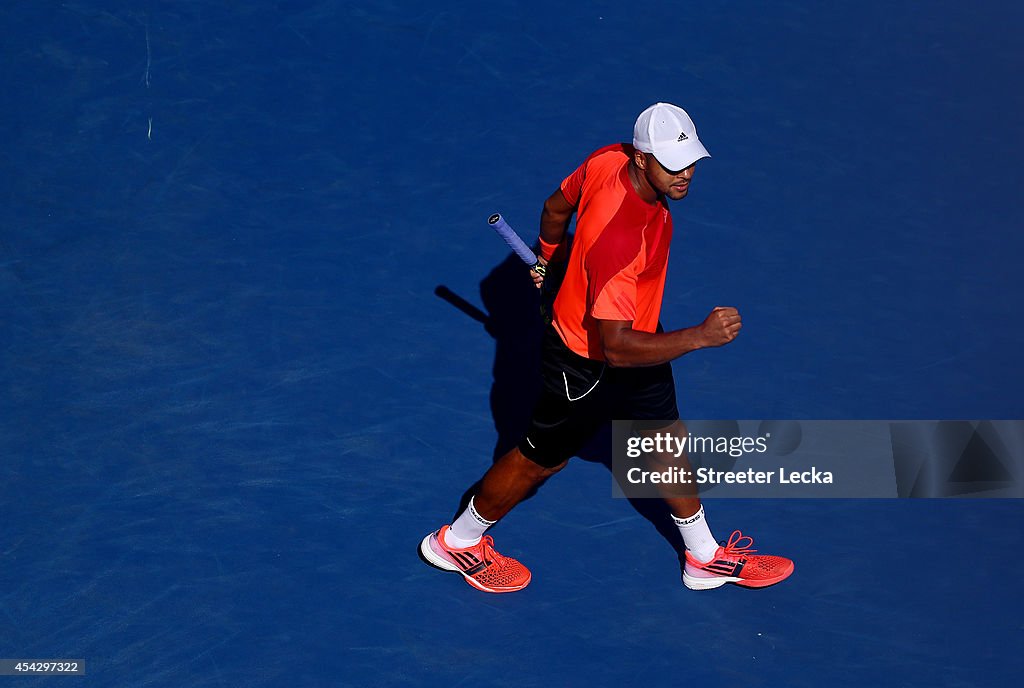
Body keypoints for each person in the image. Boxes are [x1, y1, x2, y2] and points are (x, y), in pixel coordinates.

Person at [420, 103, 794, 593]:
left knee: (665, 440)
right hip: (586, 362)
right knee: (540, 461)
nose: (685, 175)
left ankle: (704, 556)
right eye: (672, 165)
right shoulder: (622, 240)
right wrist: (699, 336)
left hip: (638, 335)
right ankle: (457, 541)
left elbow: (556, 208)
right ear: (642, 159)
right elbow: (615, 350)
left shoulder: (606, 160)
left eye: (690, 162)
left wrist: (548, 261)